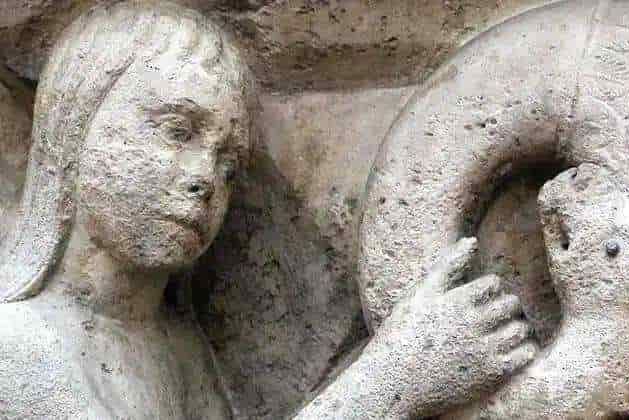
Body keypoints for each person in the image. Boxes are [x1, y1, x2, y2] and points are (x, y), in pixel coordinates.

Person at [0, 2, 536, 418]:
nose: (204, 180)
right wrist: (395, 379)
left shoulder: (177, 348)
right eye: (177, 131)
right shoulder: (18, 349)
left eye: (228, 165)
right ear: (72, 130)